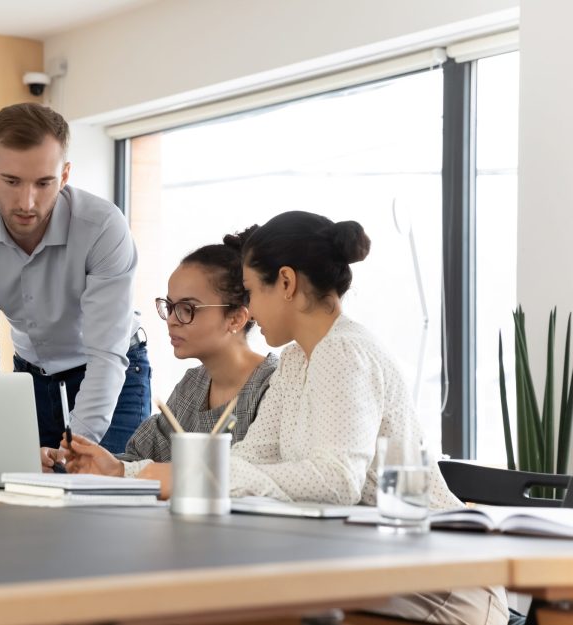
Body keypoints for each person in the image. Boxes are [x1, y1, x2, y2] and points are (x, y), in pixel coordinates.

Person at [210, 210, 505, 625]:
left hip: (443, 581)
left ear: (287, 283)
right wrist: (142, 474)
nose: (251, 309)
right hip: (380, 568)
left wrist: (212, 479)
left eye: (252, 291)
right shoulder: (297, 360)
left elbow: (336, 480)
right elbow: (254, 455)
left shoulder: (345, 352)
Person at [0, 102, 150, 453]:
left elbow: (105, 355)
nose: (27, 202)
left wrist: (74, 448)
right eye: (11, 181)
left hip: (112, 374)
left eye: (44, 183)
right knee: (21, 494)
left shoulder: (103, 227)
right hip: (31, 377)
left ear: (65, 175)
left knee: (99, 497)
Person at [54, 238, 278, 477]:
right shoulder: (192, 385)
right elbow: (137, 458)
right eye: (170, 306)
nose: (171, 320)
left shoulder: (274, 385)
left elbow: (246, 476)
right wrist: (96, 463)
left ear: (235, 319)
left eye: (187, 309)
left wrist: (123, 470)